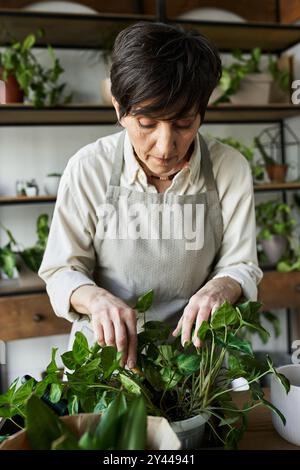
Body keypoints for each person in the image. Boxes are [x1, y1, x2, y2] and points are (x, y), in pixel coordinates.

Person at [39, 22, 262, 369]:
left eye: (184, 123)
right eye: (147, 124)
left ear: (202, 112)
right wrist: (97, 300)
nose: (165, 145)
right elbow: (61, 270)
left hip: (193, 364)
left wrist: (222, 287)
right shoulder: (88, 168)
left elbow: (241, 264)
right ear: (119, 109)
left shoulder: (229, 169)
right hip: (107, 361)